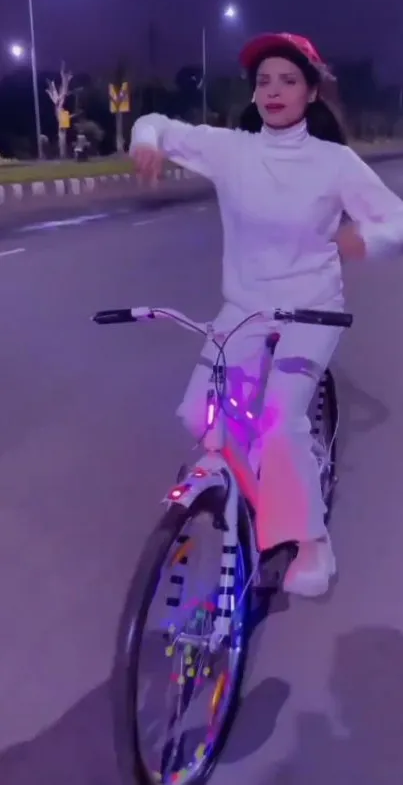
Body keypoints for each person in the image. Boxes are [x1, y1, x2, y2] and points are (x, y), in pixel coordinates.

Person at [130, 32, 403, 598]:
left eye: (288, 80)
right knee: (200, 417)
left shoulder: (335, 163)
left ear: (310, 93)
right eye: (263, 81)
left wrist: (366, 240)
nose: (274, 91)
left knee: (281, 421)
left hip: (312, 311)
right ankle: (256, 488)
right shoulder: (233, 149)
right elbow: (153, 120)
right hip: (245, 307)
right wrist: (146, 141)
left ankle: (310, 543)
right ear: (254, 94)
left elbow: (397, 220)